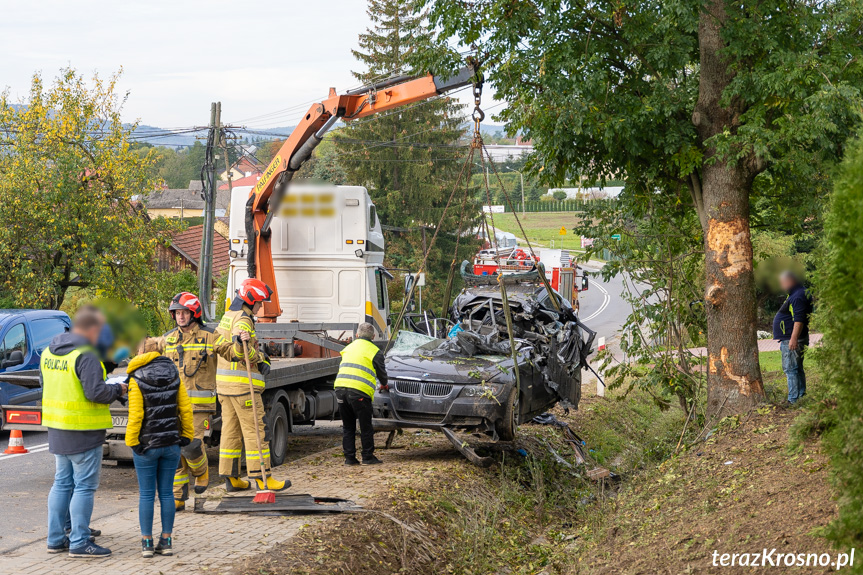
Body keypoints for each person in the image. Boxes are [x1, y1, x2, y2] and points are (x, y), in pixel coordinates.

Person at [43, 305, 127, 558]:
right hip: (83, 430)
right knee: (83, 487)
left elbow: (44, 384)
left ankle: (56, 539)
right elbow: (96, 393)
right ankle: (80, 541)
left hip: (57, 427)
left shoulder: (49, 351)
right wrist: (119, 390)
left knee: (61, 483)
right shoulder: (86, 354)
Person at [141, 292, 233, 511]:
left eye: (184, 313)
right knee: (174, 449)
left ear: (194, 313)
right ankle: (178, 497)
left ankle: (201, 473)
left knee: (192, 445)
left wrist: (241, 343)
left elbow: (231, 352)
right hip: (173, 404)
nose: (180, 317)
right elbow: (148, 349)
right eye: (177, 313)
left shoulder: (211, 336)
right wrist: (140, 347)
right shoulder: (169, 338)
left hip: (199, 406)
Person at [215, 278, 289, 492]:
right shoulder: (244, 321)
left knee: (230, 432)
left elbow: (220, 344)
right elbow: (243, 352)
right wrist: (260, 358)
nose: (259, 307)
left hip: (225, 387)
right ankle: (263, 478)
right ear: (250, 301)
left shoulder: (228, 316)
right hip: (243, 387)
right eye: (258, 302)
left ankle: (232, 478)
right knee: (256, 432)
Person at [125, 349, 194, 558]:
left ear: (141, 353)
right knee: (166, 494)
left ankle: (147, 543)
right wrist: (187, 435)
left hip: (147, 445)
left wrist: (132, 441)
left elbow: (136, 414)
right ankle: (167, 541)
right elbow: (185, 408)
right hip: (171, 443)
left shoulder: (136, 377)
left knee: (147, 494)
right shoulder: (174, 373)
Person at [334, 322, 387, 465]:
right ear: (373, 337)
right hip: (359, 392)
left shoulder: (347, 348)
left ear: (357, 335)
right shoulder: (375, 351)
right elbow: (382, 375)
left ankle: (349, 458)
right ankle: (367, 457)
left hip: (340, 389)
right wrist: (384, 384)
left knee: (348, 426)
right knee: (365, 426)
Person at [773, 271, 813, 404]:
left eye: (782, 282)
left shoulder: (797, 295)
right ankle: (801, 396)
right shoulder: (797, 293)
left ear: (790, 280)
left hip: (792, 339)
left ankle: (794, 400)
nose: (781, 285)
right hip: (793, 337)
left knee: (790, 369)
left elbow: (799, 319)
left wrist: (793, 338)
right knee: (796, 368)